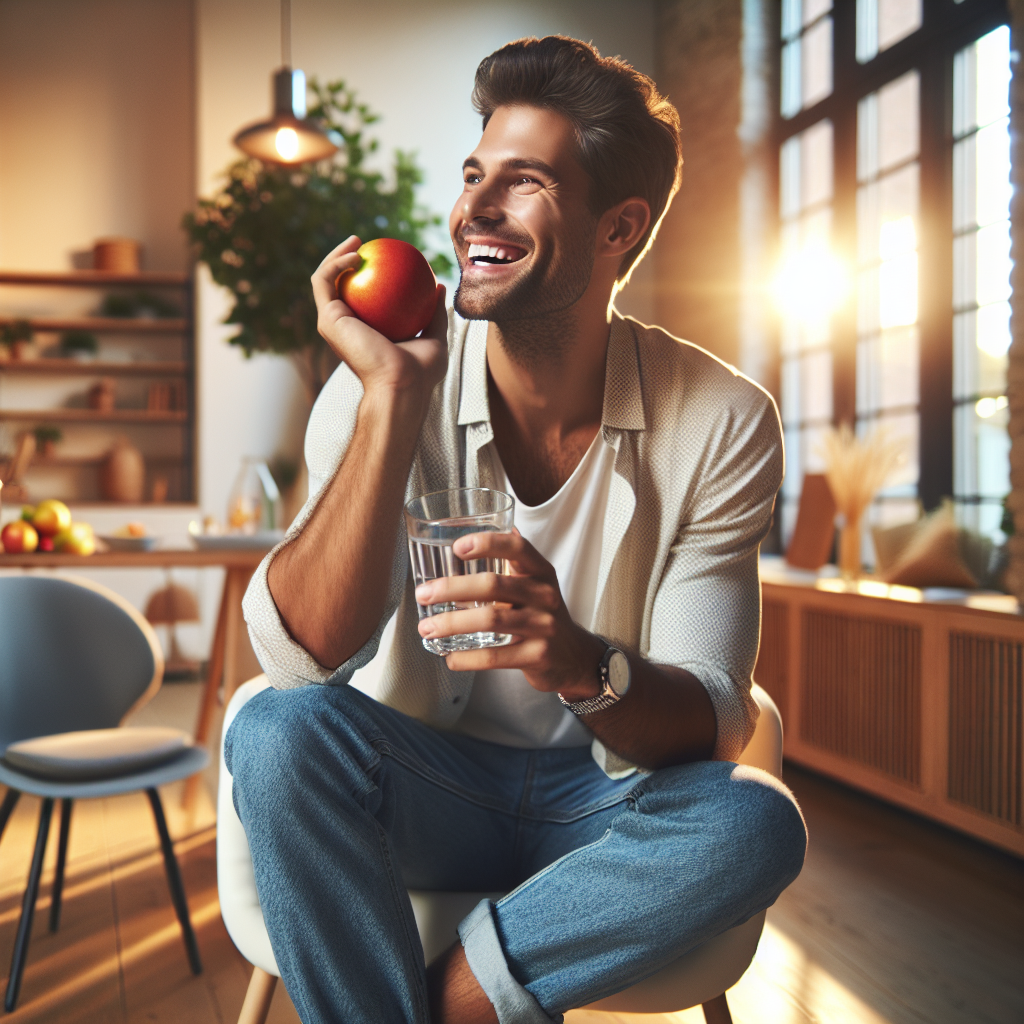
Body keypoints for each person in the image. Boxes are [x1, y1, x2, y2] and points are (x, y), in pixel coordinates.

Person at [229, 34, 806, 1024]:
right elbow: (301, 659)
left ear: (618, 227)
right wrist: (393, 402)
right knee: (274, 733)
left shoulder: (721, 419)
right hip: (421, 787)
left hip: (605, 805)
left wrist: (580, 661)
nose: (473, 210)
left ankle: (442, 1008)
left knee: (754, 821)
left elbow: (712, 718)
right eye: (472, 175)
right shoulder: (378, 383)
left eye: (524, 181)